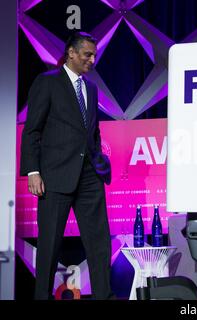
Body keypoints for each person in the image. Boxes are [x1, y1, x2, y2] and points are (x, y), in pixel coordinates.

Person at [20, 32, 114, 300]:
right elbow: (32, 130)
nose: (92, 60)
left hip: (89, 177)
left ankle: (103, 296)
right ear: (71, 53)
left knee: (99, 244)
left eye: (94, 55)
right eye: (87, 54)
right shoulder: (47, 82)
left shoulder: (91, 88)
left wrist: (99, 161)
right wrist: (33, 171)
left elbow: (92, 132)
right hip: (55, 177)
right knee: (49, 244)